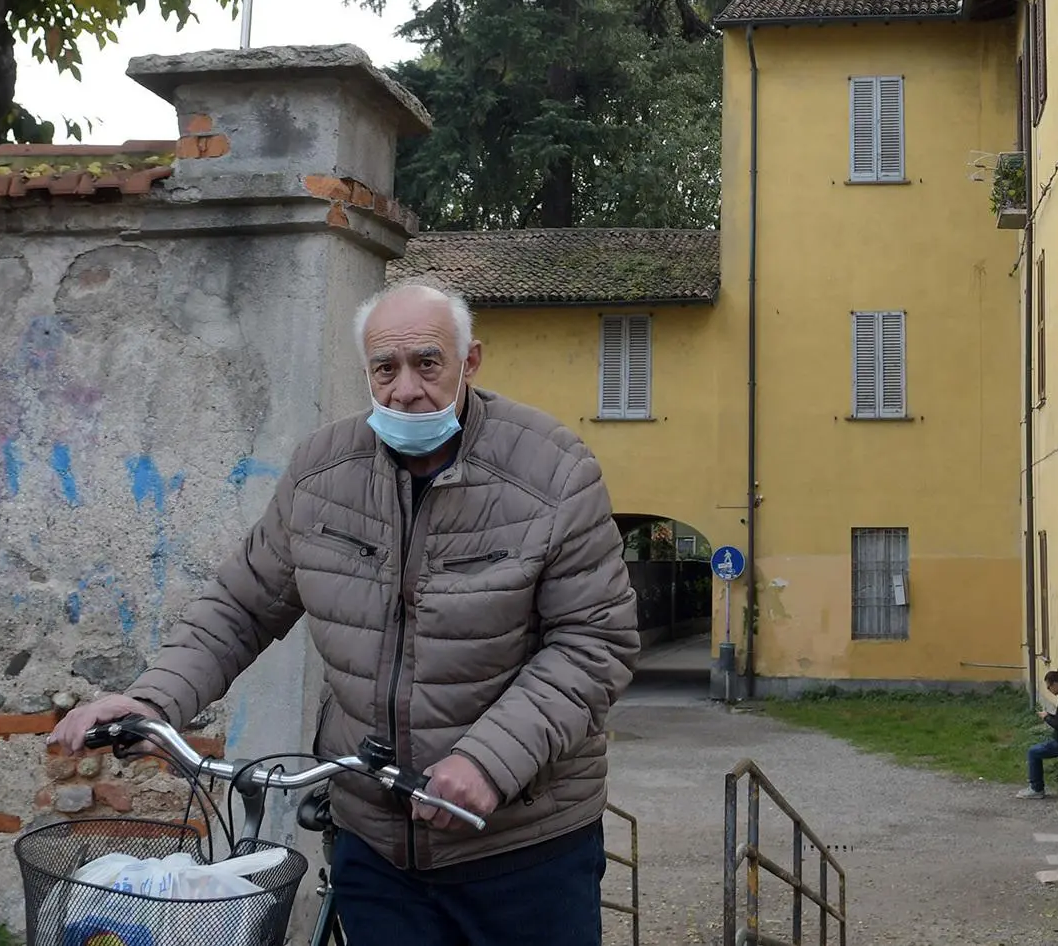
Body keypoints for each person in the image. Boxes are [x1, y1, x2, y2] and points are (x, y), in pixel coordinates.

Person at [51, 282, 639, 945]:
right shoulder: (320, 474)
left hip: (525, 846)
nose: (406, 389)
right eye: (385, 369)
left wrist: (490, 763)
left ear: (469, 362)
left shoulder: (552, 473)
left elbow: (595, 642)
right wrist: (151, 701)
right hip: (376, 844)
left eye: (427, 363)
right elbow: (240, 606)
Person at [1019, 670, 1058, 798]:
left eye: (1049, 686)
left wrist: (1046, 718)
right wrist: (1049, 716)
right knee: (1035, 750)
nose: (1048, 689)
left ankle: (1036, 789)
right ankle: (1036, 787)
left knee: (1033, 752)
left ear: (1056, 684)